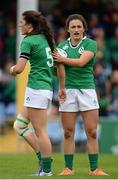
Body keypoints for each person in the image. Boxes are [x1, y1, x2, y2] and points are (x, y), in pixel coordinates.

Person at [53, 14, 108, 176]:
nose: (76, 29)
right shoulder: (62, 46)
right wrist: (61, 88)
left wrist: (63, 59)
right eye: (73, 27)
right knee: (68, 132)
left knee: (91, 131)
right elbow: (60, 70)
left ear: (84, 28)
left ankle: (94, 169)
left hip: (87, 90)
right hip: (68, 91)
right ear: (68, 29)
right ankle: (68, 168)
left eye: (79, 26)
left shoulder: (90, 43)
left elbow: (81, 62)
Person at [10, 10, 55, 176]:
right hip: (43, 88)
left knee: (40, 131)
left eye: (22, 22)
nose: (20, 25)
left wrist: (12, 69)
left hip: (37, 88)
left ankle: (47, 170)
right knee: (19, 125)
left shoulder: (28, 40)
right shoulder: (45, 39)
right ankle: (44, 160)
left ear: (29, 26)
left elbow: (20, 69)